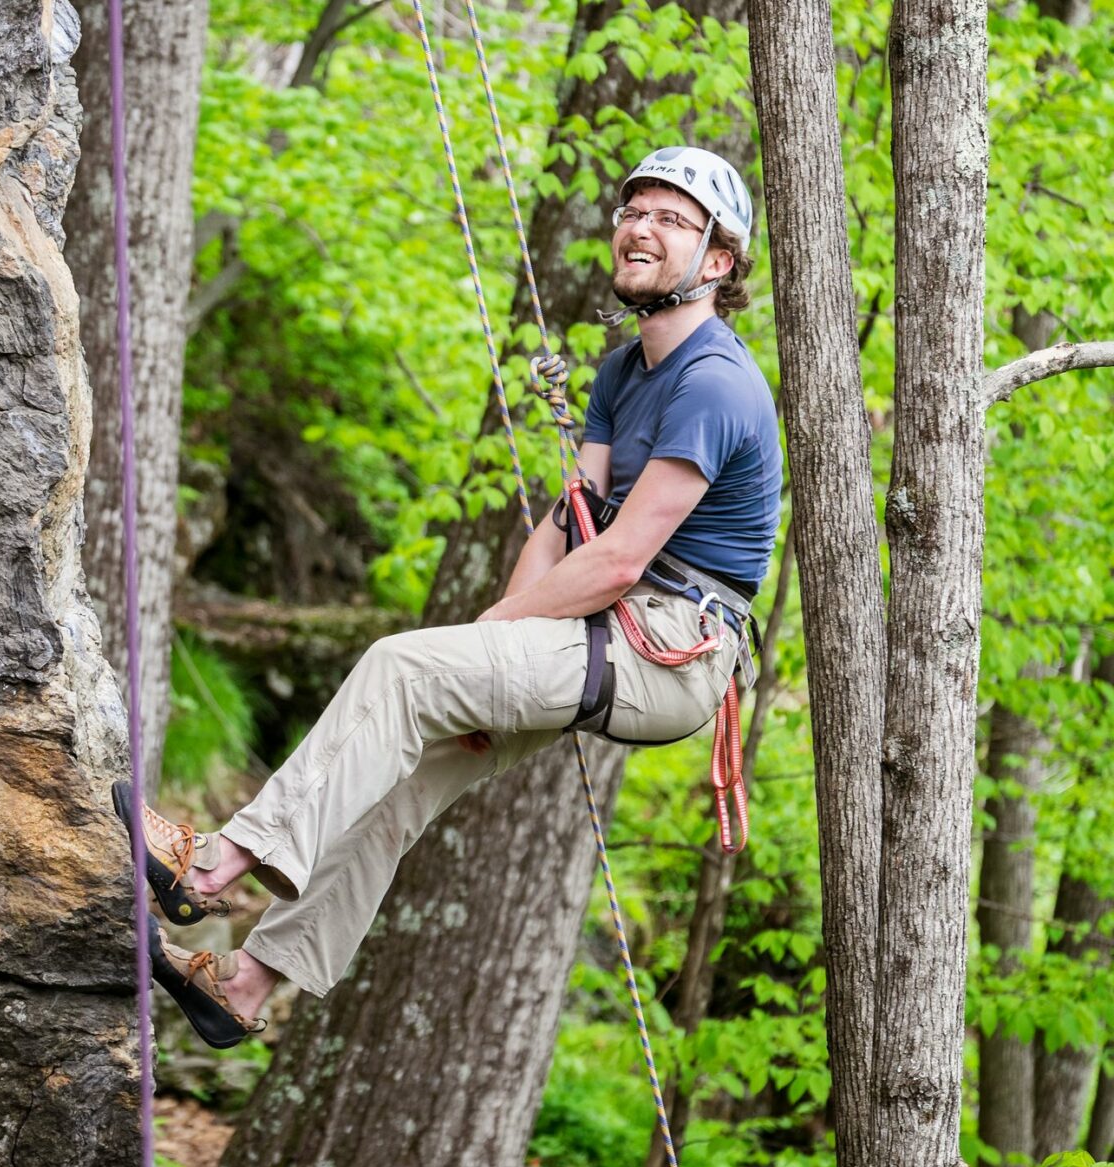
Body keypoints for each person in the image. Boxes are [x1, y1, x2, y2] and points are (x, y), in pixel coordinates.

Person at [120, 146, 783, 1049]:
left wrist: (491, 644)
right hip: (607, 633)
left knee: (397, 666)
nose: (641, 227)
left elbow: (621, 560)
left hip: (666, 650)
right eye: (636, 210)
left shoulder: (714, 382)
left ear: (717, 262)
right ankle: (243, 986)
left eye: (673, 219)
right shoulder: (626, 371)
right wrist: (485, 655)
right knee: (398, 785)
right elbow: (567, 524)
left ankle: (213, 864)